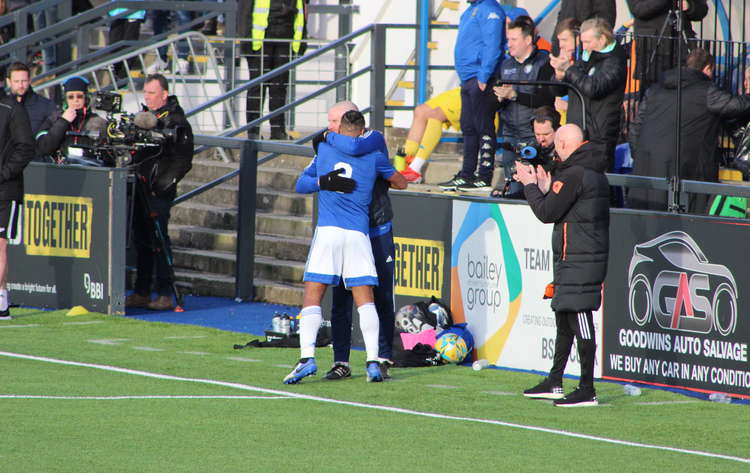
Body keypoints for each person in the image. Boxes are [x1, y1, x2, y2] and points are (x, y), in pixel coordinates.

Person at [286, 110, 407, 384]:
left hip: (328, 232)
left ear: (340, 128)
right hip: (358, 235)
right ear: (362, 130)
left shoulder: (325, 150)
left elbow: (300, 185)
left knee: (313, 297)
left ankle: (307, 358)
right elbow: (402, 182)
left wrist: (323, 182)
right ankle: (373, 363)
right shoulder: (374, 152)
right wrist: (386, 175)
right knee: (366, 301)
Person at [514, 124, 609, 407]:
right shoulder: (587, 171)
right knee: (564, 320)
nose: (554, 153)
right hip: (575, 257)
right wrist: (546, 188)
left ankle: (587, 388)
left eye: (557, 147)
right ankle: (555, 380)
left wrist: (530, 185)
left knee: (580, 321)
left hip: (580, 259)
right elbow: (564, 205)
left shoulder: (575, 173)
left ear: (566, 145)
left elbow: (547, 212)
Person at [628, 49, 750, 213]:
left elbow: (636, 126)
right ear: (708, 69)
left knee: (650, 222)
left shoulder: (655, 89)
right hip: (686, 167)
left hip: (647, 164)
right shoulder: (706, 90)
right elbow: (735, 106)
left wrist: (639, 155)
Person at [125, 74, 194, 311]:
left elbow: (183, 160)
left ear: (164, 94)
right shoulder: (143, 118)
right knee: (141, 239)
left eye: (152, 93)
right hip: (138, 184)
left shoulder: (176, 121)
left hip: (159, 190)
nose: (147, 97)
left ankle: (165, 293)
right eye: (145, 93)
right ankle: (142, 291)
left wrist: (162, 185)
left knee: (158, 240)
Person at [439, 0, 504, 192]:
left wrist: (484, 74)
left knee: (483, 125)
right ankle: (466, 174)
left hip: (480, 77)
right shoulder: (471, 10)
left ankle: (484, 176)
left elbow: (492, 43)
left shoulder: (490, 9)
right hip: (467, 77)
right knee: (467, 125)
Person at [550, 17, 626, 174]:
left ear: (602, 39)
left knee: (598, 183)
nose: (584, 47)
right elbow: (560, 91)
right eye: (582, 41)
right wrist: (559, 75)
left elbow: (593, 88)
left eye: (588, 42)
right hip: (578, 131)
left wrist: (569, 70)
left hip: (598, 136)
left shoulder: (615, 61)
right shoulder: (586, 56)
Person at [492, 16, 557, 198]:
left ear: (528, 40)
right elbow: (496, 99)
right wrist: (498, 99)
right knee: (512, 187)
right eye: (508, 40)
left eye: (513, 40)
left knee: (533, 189)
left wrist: (514, 95)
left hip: (534, 135)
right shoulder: (505, 65)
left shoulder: (543, 62)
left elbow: (545, 99)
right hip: (510, 134)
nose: (509, 44)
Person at [238, 0, 309, 140]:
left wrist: (302, 40)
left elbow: (301, 14)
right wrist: (245, 41)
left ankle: (278, 131)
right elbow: (244, 13)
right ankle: (253, 131)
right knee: (257, 88)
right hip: (260, 42)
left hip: (285, 40)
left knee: (279, 88)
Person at [0, 92, 35, 320]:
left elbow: (26, 146)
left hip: (5, 190)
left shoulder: (12, 109)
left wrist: (4, 173)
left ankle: (1, 299)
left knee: (0, 244)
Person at [626, 0, 708, 91]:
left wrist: (689, 6)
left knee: (685, 89)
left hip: (681, 46)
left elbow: (702, 10)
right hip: (653, 49)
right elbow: (638, 10)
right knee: (652, 93)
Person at [35, 76, 107, 163]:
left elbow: (106, 154)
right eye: (70, 97)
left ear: (86, 98)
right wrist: (63, 122)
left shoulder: (97, 121)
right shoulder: (53, 119)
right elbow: (43, 148)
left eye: (79, 96)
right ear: (65, 99)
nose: (75, 100)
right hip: (61, 169)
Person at [6, 62, 57, 136]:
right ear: (8, 82)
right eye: (16, 81)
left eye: (24, 81)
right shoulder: (3, 106)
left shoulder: (47, 106)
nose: (21, 85)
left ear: (29, 80)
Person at [108, 2, 146, 79]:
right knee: (114, 44)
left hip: (134, 11)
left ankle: (123, 77)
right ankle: (117, 75)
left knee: (128, 46)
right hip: (116, 10)